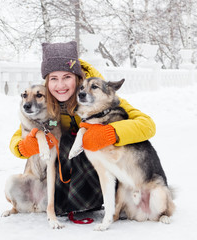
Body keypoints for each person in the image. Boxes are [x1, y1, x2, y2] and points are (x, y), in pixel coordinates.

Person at [9, 41, 156, 216]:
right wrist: (22, 146)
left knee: (76, 140)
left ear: (78, 77)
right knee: (64, 142)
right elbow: (19, 135)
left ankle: (107, 198)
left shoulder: (100, 93)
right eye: (54, 79)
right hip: (66, 169)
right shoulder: (44, 100)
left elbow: (147, 125)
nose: (60, 85)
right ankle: (67, 201)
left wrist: (111, 133)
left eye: (67, 77)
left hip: (102, 166)